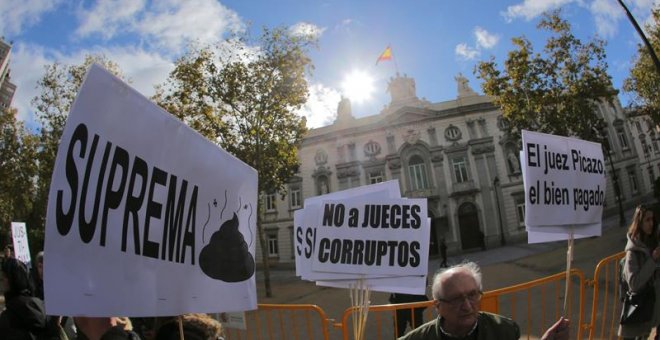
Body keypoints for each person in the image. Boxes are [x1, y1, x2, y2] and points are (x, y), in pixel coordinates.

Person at [399, 262, 570, 340]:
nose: (467, 306)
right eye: (456, 299)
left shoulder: (504, 331)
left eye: (472, 295)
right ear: (438, 306)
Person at [618, 204, 660, 340]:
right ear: (639, 222)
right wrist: (653, 259)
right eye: (647, 220)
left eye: (652, 220)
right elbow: (634, 284)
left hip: (654, 309)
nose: (651, 224)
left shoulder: (652, 243)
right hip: (640, 311)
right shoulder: (632, 252)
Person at [0, 257, 60, 340]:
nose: (2, 280)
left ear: (12, 280)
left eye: (4, 276)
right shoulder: (44, 307)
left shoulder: (7, 318)